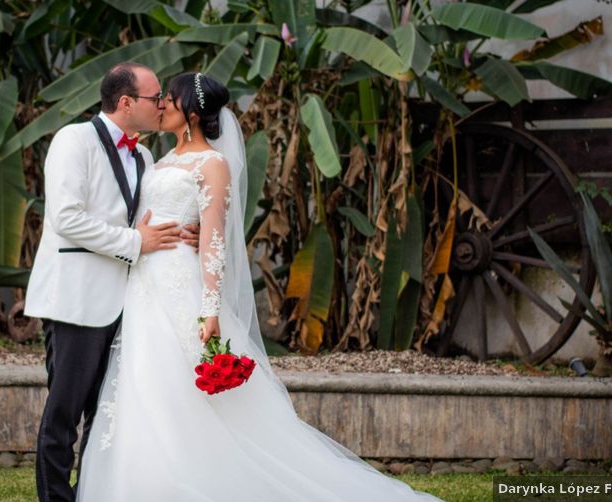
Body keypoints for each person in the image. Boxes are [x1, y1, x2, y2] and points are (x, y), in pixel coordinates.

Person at [77, 72, 442, 501]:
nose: (161, 107)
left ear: (191, 114)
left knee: (179, 392)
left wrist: (209, 308)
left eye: (169, 102)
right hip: (143, 286)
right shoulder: (156, 160)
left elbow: (213, 241)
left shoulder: (213, 164)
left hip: (181, 286)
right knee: (140, 386)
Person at [24, 62, 199, 502]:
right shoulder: (73, 140)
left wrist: (184, 232)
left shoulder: (142, 155)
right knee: (63, 415)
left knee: (105, 419)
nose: (161, 105)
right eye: (154, 98)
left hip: (127, 306)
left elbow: (147, 220)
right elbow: (66, 217)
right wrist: (134, 241)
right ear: (126, 103)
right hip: (76, 300)